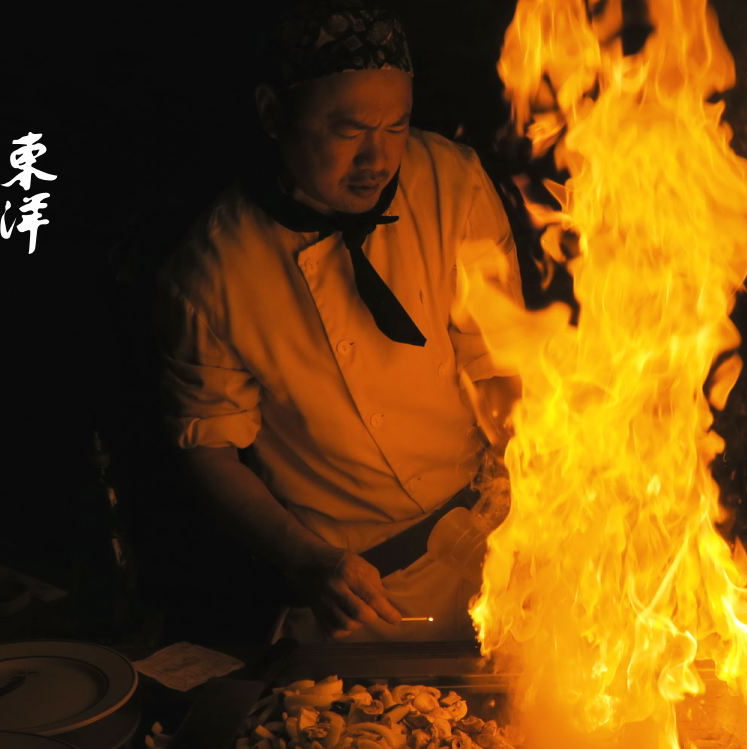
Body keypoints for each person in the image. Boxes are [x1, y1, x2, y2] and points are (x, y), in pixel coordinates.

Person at [153, 0, 523, 642]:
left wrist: (538, 481)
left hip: (496, 544)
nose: (378, 159)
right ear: (274, 114)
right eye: (349, 131)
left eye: (397, 126)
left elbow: (497, 359)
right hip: (358, 595)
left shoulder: (451, 182)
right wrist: (307, 560)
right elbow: (211, 449)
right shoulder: (210, 272)